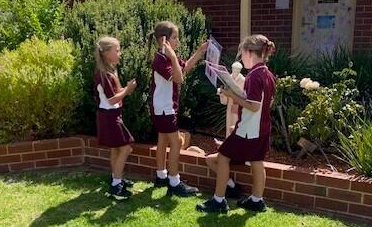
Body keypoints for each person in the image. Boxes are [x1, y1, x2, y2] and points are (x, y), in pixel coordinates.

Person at [197, 34, 276, 213]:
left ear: (249, 53)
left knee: (223, 157)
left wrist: (232, 95)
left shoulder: (254, 76)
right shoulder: (267, 74)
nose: (241, 59)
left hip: (247, 129)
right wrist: (239, 95)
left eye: (242, 55)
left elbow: (254, 106)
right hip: (261, 128)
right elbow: (266, 103)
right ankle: (257, 200)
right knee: (257, 161)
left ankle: (219, 201)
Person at [149, 21, 207, 197]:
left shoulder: (166, 57)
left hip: (162, 108)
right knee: (176, 142)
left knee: (162, 140)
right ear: (164, 40)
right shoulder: (161, 60)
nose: (178, 41)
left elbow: (185, 67)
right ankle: (174, 182)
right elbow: (179, 78)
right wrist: (173, 57)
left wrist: (200, 51)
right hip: (165, 109)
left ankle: (161, 176)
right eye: (175, 38)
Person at [94, 36, 136, 200]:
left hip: (111, 114)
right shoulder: (104, 75)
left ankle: (115, 178)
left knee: (116, 148)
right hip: (110, 116)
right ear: (106, 53)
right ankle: (116, 186)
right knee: (126, 148)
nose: (120, 53)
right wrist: (127, 90)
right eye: (116, 50)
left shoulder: (110, 71)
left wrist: (125, 89)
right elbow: (112, 100)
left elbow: (114, 95)